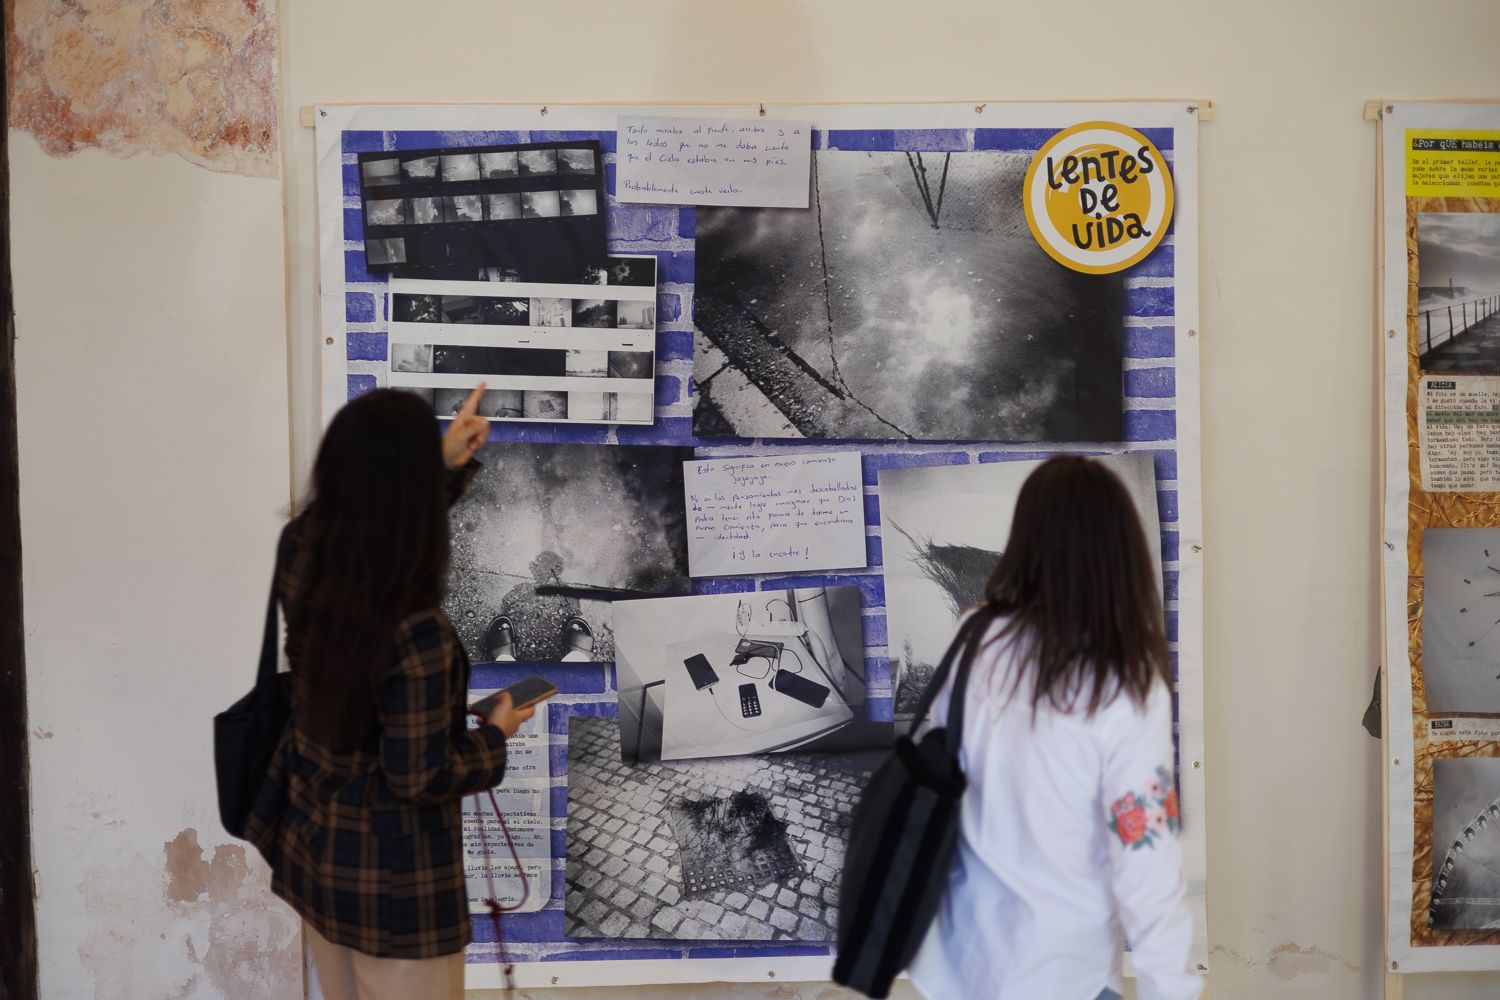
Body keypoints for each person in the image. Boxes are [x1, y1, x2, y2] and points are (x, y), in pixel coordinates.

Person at [246, 383, 535, 1000]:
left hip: (317, 853)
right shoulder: (417, 632)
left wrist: (444, 464)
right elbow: (418, 777)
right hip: (396, 893)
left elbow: (371, 523)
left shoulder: (301, 547)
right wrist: (496, 736)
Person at [908, 455, 1199, 1000]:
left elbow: (946, 766)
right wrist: (1172, 990)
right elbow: (1146, 857)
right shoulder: (1123, 678)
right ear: (1118, 551)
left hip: (962, 959)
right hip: (1061, 970)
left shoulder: (974, 634)